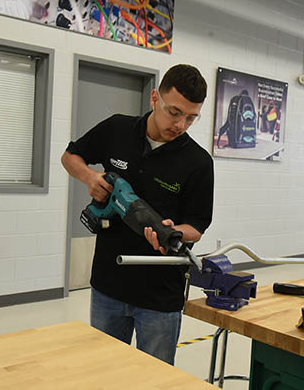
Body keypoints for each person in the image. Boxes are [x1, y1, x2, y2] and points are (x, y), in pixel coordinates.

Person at [61, 64, 214, 365]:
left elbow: (197, 225)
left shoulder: (199, 162)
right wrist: (90, 179)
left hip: (160, 296)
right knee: (104, 374)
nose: (181, 124)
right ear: (154, 98)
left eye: (191, 117)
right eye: (174, 112)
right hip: (109, 285)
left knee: (154, 380)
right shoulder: (117, 129)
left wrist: (174, 231)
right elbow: (70, 156)